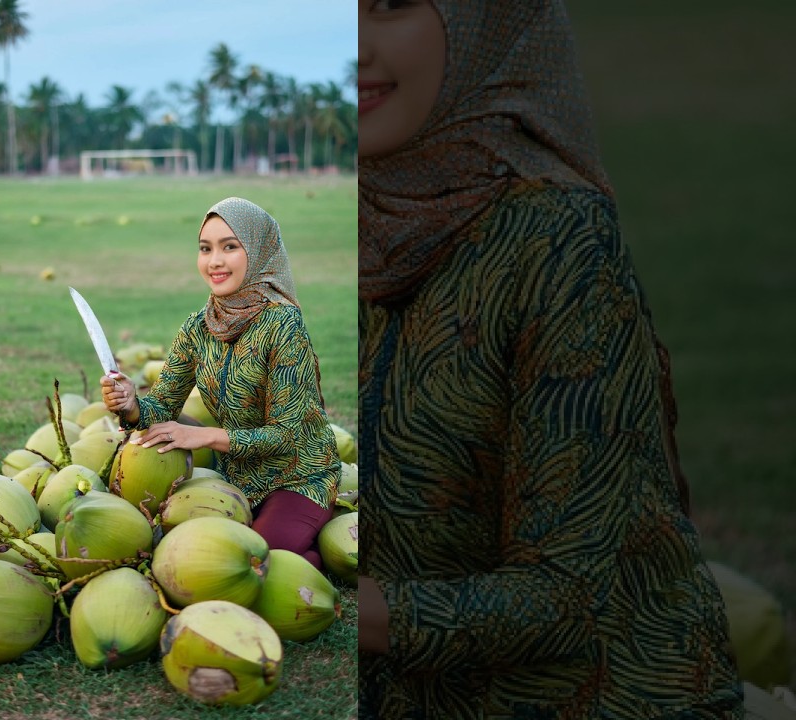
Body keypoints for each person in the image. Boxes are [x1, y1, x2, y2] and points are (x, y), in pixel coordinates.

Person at [357, 0, 744, 717]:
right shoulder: (362, 229)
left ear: (488, 21)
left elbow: (563, 596)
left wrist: (330, 612)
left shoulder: (558, 243)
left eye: (390, 5)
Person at [100, 196, 341, 570]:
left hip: (298, 475)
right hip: (236, 477)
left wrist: (207, 437)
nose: (214, 261)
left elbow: (286, 436)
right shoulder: (198, 328)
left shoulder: (283, 326)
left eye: (230, 247)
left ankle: (325, 547)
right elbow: (162, 406)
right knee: (209, 559)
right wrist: (131, 403)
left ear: (259, 251)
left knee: (259, 560)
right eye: (205, 248)